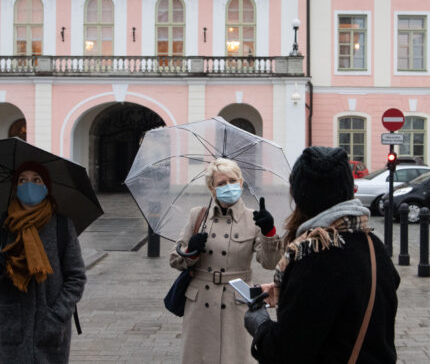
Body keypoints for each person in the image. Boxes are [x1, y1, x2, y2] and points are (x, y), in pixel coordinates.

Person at [243, 146, 400, 364]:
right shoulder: (373, 245)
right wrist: (287, 290)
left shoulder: (313, 255)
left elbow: (287, 352)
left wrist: (260, 325)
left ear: (298, 195)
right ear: (349, 191)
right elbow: (346, 301)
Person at [170, 157, 283, 364]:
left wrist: (269, 232)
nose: (227, 186)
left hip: (237, 301)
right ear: (212, 189)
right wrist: (191, 250)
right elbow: (175, 259)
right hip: (199, 304)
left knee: (236, 358)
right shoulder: (198, 216)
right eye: (221, 183)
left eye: (232, 181)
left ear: (240, 183)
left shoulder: (254, 219)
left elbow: (268, 262)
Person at [0, 161, 86, 364]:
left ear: (46, 187)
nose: (29, 185)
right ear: (15, 187)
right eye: (22, 180)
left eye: (36, 180)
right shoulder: (1, 224)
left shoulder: (62, 225)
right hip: (12, 327)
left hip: (52, 328)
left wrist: (57, 315)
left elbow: (76, 277)